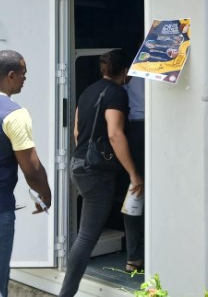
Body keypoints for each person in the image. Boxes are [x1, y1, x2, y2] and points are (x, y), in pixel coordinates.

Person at [58, 50, 143, 297]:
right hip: (96, 172)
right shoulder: (117, 93)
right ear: (125, 72)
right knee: (87, 237)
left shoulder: (88, 91)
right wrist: (133, 173)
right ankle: (66, 293)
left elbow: (77, 131)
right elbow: (115, 134)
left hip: (78, 163)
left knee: (87, 233)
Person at [0, 50, 52, 297]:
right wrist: (45, 193)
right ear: (11, 75)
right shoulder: (14, 114)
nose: (25, 78)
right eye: (23, 73)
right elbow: (31, 168)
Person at [122, 75, 144, 272]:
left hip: (135, 128)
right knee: (137, 191)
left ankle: (134, 257)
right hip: (144, 126)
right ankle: (137, 255)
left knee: (135, 192)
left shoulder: (131, 71)